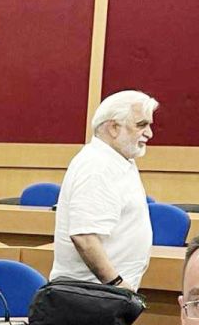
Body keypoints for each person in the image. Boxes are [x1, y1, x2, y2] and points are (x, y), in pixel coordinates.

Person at [51, 90, 157, 290]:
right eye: (141, 125)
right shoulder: (97, 166)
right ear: (114, 127)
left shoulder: (117, 160)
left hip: (102, 293)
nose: (149, 133)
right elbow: (84, 237)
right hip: (92, 295)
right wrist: (117, 284)